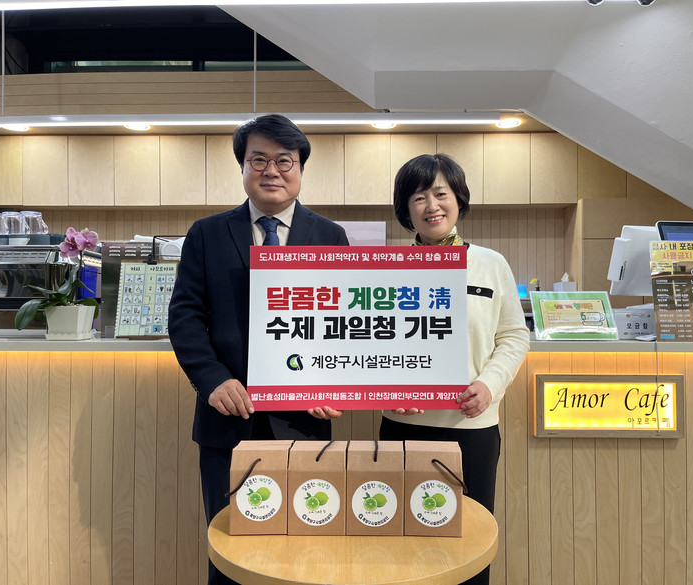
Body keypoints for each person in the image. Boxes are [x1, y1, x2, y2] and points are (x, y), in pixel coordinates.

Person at [168, 114, 348, 585]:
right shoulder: (206, 234)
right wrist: (212, 380)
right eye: (259, 160)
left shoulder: (330, 237)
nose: (272, 171)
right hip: (228, 421)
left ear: (300, 168)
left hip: (304, 425)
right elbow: (185, 318)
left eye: (284, 160)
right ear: (243, 167)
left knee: (304, 550)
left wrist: (334, 384)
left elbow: (344, 327)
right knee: (231, 552)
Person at [379, 153, 529, 585]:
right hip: (404, 427)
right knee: (403, 542)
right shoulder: (386, 269)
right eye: (418, 197)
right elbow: (368, 342)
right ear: (405, 210)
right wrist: (389, 388)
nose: (431, 206)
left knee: (470, 541)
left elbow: (513, 336)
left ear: (459, 199)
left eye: (440, 194)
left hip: (472, 428)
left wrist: (489, 385)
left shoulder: (490, 264)